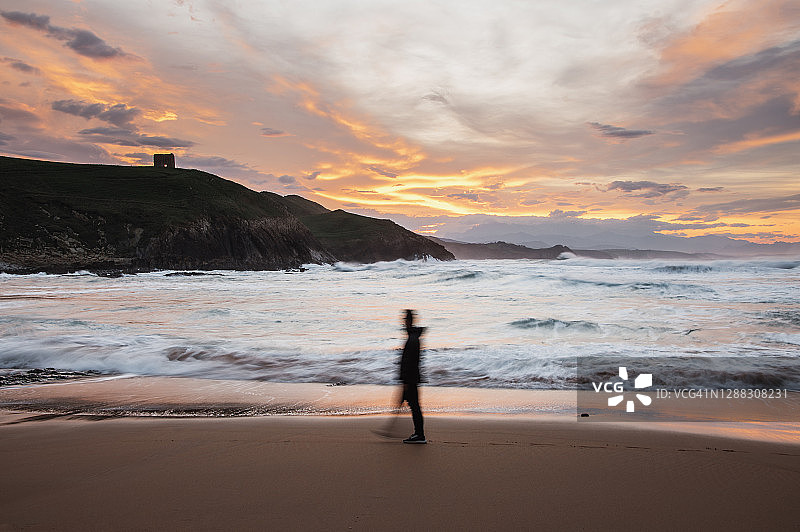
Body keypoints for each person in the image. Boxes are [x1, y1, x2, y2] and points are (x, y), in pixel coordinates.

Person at [399, 309, 426, 444]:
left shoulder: (413, 339)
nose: (403, 323)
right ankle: (418, 434)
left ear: (409, 321)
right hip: (411, 378)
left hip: (411, 378)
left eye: (405, 320)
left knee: (415, 406)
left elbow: (411, 362)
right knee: (414, 405)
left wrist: (406, 382)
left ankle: (419, 435)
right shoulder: (413, 337)